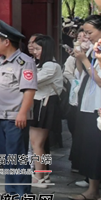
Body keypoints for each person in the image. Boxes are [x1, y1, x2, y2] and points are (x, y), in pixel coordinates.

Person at [0, 20, 37, 197]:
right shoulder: (2, 62)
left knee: (17, 157)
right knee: (6, 157)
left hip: (14, 117)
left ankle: (24, 194)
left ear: (6, 42)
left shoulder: (24, 63)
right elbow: (1, 88)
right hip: (0, 116)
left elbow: (29, 89)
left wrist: (23, 112)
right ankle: (11, 192)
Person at [69, 15, 101, 200]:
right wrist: (80, 58)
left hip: (98, 106)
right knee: (90, 149)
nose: (86, 36)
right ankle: (92, 189)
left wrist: (86, 61)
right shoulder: (93, 50)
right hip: (88, 105)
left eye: (90, 32)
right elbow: (82, 75)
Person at [28, 35, 62, 188]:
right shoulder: (43, 64)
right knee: (41, 144)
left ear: (46, 49)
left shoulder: (50, 66)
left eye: (37, 49)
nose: (34, 52)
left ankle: (38, 176)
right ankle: (45, 173)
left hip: (44, 104)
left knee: (37, 143)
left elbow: (31, 80)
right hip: (42, 103)